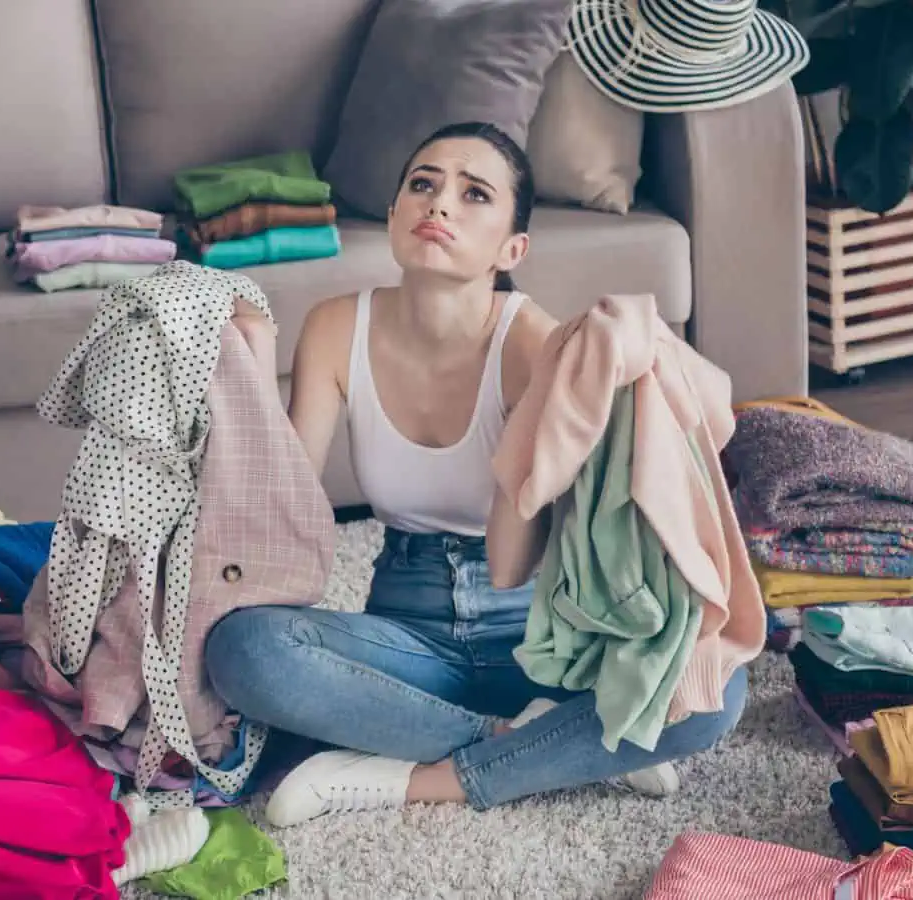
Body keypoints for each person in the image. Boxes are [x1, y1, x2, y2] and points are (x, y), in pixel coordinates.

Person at [208, 122, 747, 828]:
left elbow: (510, 562)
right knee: (246, 652)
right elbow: (287, 519)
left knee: (717, 688)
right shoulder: (336, 327)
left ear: (512, 248)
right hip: (408, 632)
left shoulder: (537, 345)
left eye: (474, 195)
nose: (440, 206)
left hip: (537, 638)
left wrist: (550, 407)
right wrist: (248, 364)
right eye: (423, 185)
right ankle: (550, 746)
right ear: (396, 214)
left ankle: (414, 778)